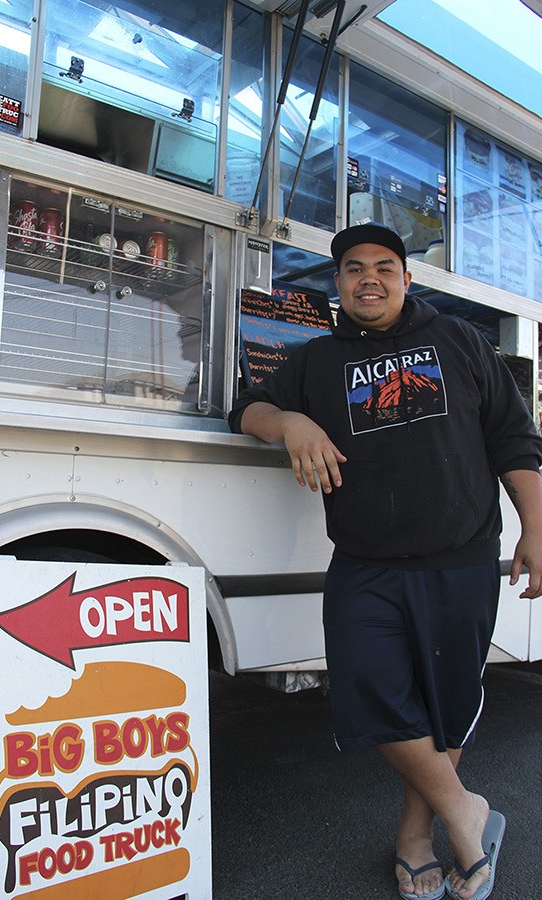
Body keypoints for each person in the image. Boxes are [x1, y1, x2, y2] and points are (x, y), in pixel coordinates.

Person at [228, 223, 542, 900]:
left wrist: (536, 529)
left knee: (444, 705)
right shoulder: (315, 360)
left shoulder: (461, 342)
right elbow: (245, 407)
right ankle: (467, 811)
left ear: (406, 278)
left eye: (383, 266)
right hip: (363, 563)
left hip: (459, 559)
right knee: (367, 692)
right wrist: (290, 423)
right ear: (336, 283)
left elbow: (516, 440)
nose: (367, 277)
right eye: (352, 268)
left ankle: (412, 836)